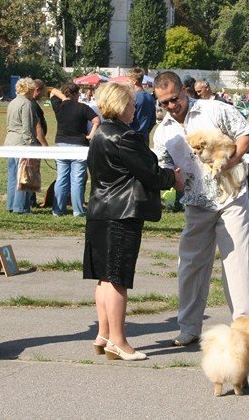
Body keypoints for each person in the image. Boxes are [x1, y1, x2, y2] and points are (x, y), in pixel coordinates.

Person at [153, 72, 249, 346]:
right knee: (190, 266)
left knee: (236, 263)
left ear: (185, 92)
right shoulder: (163, 131)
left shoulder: (215, 109)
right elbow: (164, 166)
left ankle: (245, 330)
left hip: (232, 196)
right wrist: (172, 181)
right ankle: (189, 328)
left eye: (174, 99)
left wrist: (231, 161)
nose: (171, 106)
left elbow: (246, 133)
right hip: (196, 203)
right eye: (164, 103)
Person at [84, 81, 183, 361]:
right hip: (121, 214)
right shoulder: (126, 136)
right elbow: (149, 172)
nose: (134, 108)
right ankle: (118, 340)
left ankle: (103, 334)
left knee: (104, 278)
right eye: (131, 104)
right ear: (120, 105)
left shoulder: (101, 132)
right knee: (118, 279)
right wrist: (173, 178)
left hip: (100, 211)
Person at [50, 82, 100, 217]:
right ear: (74, 94)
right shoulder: (83, 107)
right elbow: (96, 120)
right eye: (78, 93)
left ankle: (58, 209)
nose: (79, 95)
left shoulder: (58, 106)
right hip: (79, 145)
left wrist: (64, 98)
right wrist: (90, 135)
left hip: (61, 144)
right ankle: (77, 210)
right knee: (77, 180)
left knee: (61, 178)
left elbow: (53, 91)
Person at [5, 77, 39, 214]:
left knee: (13, 176)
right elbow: (27, 127)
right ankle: (21, 207)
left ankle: (11, 205)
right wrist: (32, 145)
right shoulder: (26, 104)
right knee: (24, 176)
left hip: (10, 141)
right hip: (22, 143)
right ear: (29, 90)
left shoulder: (12, 102)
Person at [126, 67, 156, 144]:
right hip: (145, 138)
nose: (126, 83)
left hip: (132, 138)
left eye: (128, 80)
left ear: (134, 81)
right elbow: (153, 120)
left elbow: (126, 119)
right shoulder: (150, 97)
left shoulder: (132, 97)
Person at [32, 79, 49, 147]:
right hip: (35, 143)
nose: (44, 94)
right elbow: (37, 127)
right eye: (43, 91)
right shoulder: (32, 105)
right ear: (37, 90)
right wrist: (44, 145)